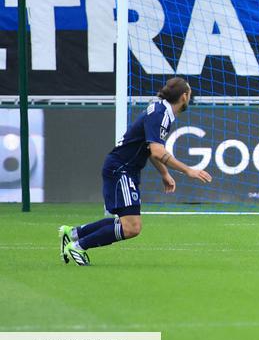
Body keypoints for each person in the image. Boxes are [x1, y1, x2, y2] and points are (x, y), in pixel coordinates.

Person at [59, 78, 212, 266]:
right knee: (132, 227)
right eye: (190, 94)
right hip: (121, 169)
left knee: (128, 223)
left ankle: (74, 233)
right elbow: (157, 151)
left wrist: (164, 174)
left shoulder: (160, 110)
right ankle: (78, 246)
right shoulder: (161, 114)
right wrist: (188, 170)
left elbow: (150, 149)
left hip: (124, 169)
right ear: (184, 96)